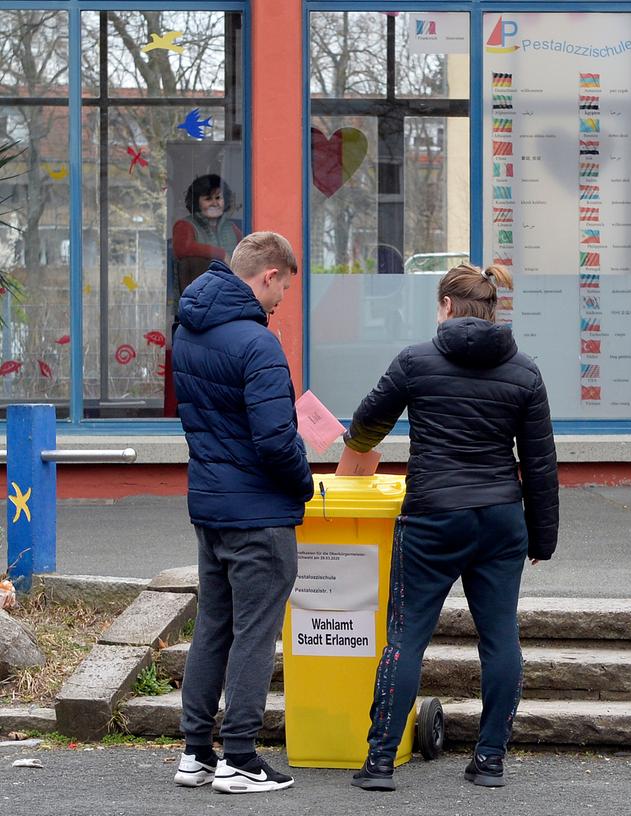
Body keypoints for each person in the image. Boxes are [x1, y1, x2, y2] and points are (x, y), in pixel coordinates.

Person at [345, 263, 558, 793]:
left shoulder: (416, 361)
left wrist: (356, 448)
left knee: (406, 637)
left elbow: (370, 420)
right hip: (500, 522)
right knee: (500, 639)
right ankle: (489, 760)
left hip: (432, 518)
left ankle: (378, 764)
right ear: (492, 310)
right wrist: (543, 537)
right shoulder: (524, 371)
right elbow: (539, 464)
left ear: (445, 306)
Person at [171, 231, 313, 794]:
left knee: (214, 626)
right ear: (269, 275)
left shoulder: (188, 332)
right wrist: (303, 485)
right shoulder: (258, 345)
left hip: (210, 505)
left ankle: (195, 753)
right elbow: (276, 440)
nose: (281, 304)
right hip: (259, 513)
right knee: (255, 633)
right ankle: (239, 758)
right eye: (283, 290)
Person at [166, 174, 244, 417]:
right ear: (196, 201)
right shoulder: (185, 226)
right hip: (192, 312)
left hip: (227, 313)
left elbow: (246, 256)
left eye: (218, 197)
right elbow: (183, 249)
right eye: (207, 198)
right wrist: (220, 253)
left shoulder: (232, 229)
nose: (214, 202)